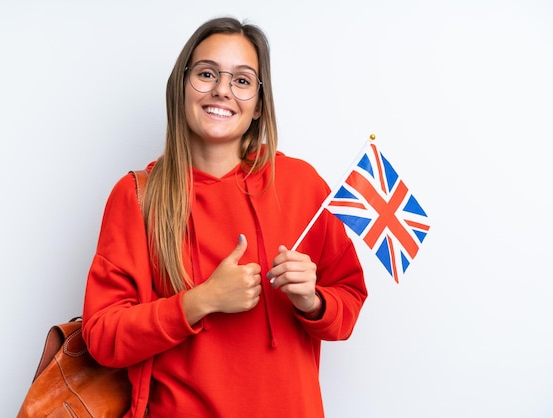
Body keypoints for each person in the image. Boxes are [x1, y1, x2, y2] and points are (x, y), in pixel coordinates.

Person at [82, 16, 367, 418]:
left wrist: (313, 301)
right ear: (181, 86)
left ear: (258, 105)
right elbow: (102, 337)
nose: (221, 90)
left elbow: (348, 303)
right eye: (206, 73)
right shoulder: (137, 197)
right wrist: (201, 301)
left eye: (242, 80)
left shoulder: (302, 185)